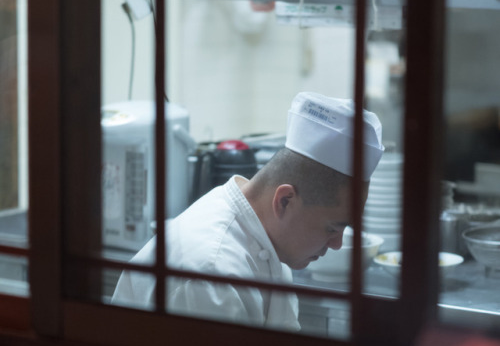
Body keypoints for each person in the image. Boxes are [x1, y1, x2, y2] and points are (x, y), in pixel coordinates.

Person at [112, 92, 384, 330]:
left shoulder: (267, 236)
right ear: (285, 200)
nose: (336, 245)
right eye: (332, 228)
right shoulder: (211, 273)